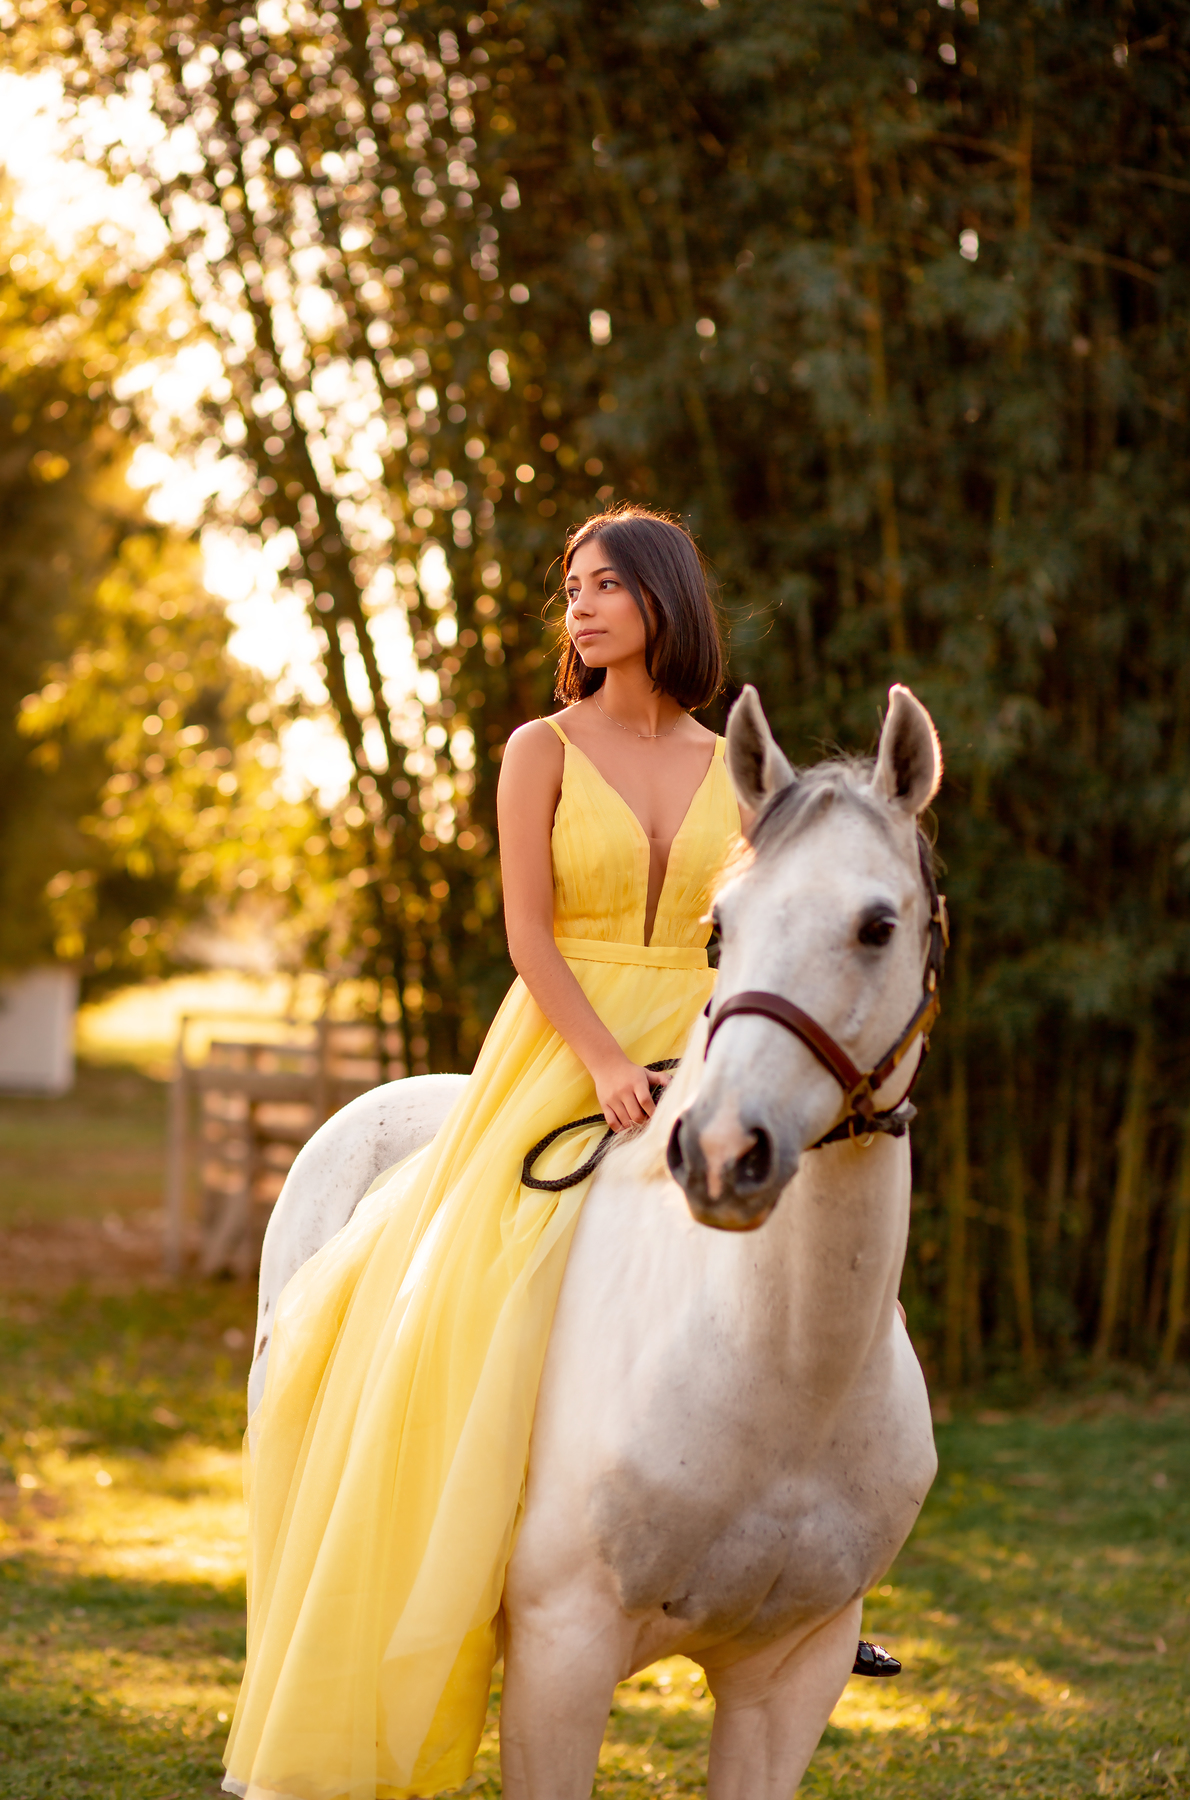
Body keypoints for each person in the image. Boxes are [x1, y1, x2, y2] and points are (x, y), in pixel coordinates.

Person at [222, 504, 895, 1800]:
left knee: (816, 1261)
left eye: (605, 587)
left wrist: (703, 1058)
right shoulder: (540, 747)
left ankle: (824, 1560)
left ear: (665, 601)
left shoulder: (734, 767)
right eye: (571, 589)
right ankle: (452, 1536)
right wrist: (598, 1062)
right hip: (562, 1043)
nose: (579, 609)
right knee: (500, 1263)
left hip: (707, 1037)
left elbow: (768, 932)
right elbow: (531, 937)